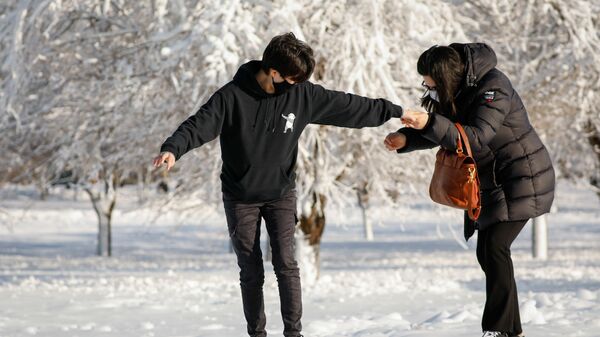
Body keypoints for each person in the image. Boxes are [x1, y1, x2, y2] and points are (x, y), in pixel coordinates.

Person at [153, 32, 404, 337]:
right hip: (240, 195)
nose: (298, 85)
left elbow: (348, 106)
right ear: (273, 72)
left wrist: (395, 111)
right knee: (251, 269)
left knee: (286, 263)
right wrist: (173, 148)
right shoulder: (232, 96)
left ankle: (293, 333)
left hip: (280, 193)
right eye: (293, 78)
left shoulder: (301, 95)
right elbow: (200, 123)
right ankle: (257, 334)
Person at [384, 43, 555, 337]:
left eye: (429, 79)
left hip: (522, 177)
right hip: (493, 183)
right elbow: (451, 131)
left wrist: (430, 122)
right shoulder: (461, 88)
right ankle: (511, 331)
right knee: (487, 253)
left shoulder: (493, 87)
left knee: (494, 248)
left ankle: (498, 330)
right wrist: (407, 139)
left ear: (447, 74)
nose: (426, 85)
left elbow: (474, 137)